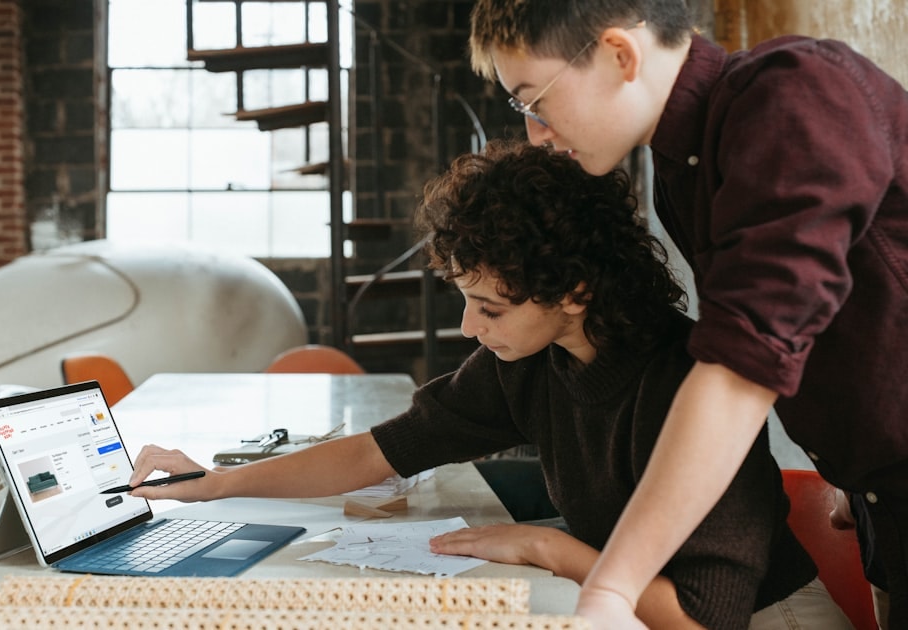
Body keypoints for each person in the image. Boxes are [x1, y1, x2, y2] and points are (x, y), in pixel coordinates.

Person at [127, 139, 848, 629]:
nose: (471, 327)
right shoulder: (529, 362)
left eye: (491, 307)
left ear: (573, 290)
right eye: (466, 301)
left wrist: (547, 547)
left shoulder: (682, 384)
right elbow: (379, 451)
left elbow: (699, 618)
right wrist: (216, 482)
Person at [466, 1, 908, 628]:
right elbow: (821, 319)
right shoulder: (684, 166)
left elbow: (741, 367)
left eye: (535, 101)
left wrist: (612, 588)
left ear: (620, 54)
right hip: (882, 513)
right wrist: (849, 458)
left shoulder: (792, 96)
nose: (537, 134)